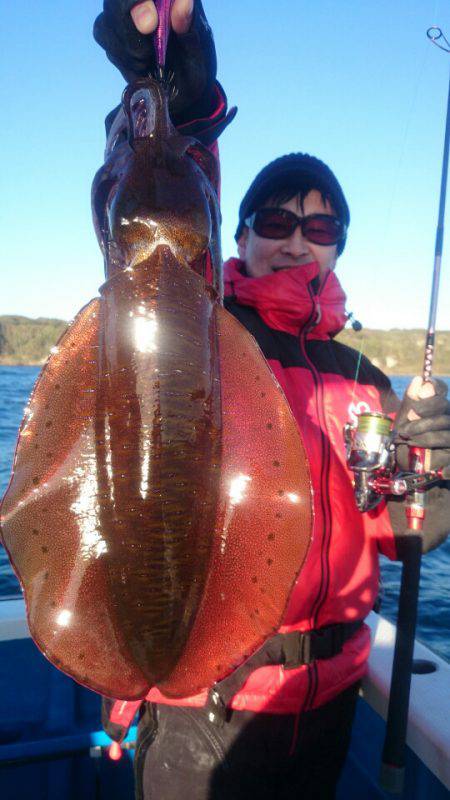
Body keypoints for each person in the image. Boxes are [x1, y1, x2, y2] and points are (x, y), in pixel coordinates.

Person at [94, 2, 450, 798]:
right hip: (206, 709)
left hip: (327, 705)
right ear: (240, 233)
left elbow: (400, 538)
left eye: (322, 228)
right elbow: (169, 205)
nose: (298, 239)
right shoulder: (206, 329)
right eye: (278, 219)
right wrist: (183, 86)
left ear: (339, 246)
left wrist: (437, 483)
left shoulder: (364, 375)